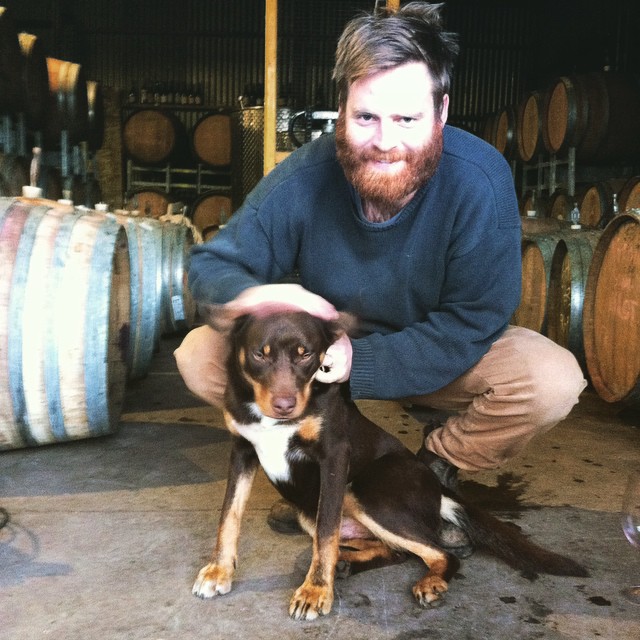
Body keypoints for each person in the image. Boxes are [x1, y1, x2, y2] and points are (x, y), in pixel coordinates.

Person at [175, 2, 586, 552]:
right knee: (200, 354)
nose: (386, 141)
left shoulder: (480, 179)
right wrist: (254, 294)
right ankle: (301, 468)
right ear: (341, 107)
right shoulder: (307, 173)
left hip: (434, 354)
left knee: (549, 378)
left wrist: (358, 363)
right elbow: (210, 263)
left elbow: (473, 321)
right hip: (312, 363)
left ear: (441, 111)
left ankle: (435, 467)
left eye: (407, 120)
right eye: (366, 117)